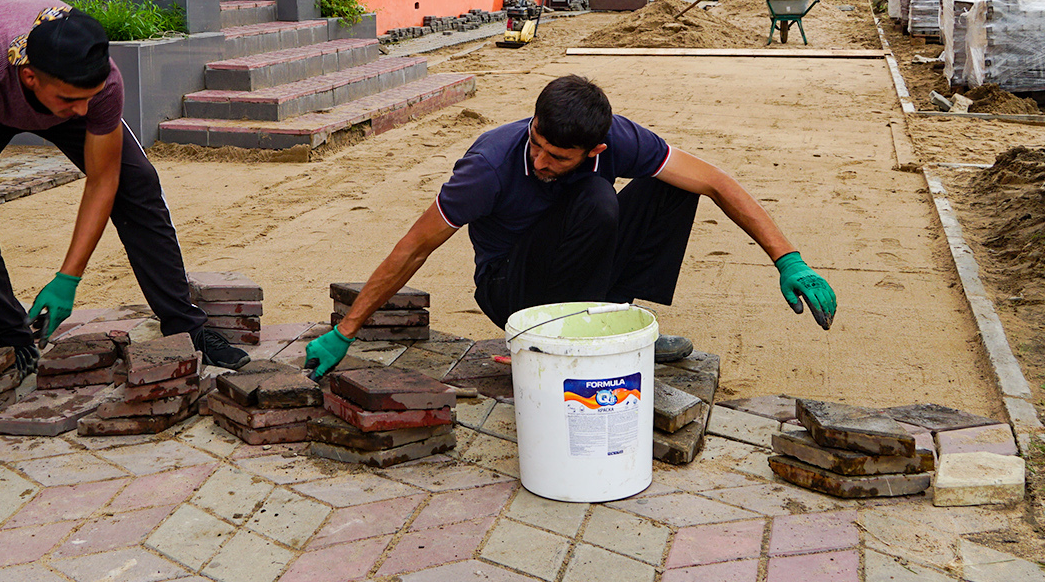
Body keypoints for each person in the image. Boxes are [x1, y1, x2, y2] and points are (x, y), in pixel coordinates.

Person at [304, 75, 837, 376]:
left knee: (671, 186)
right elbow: (414, 247)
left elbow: (716, 180)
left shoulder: (621, 140)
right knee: (596, 201)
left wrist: (788, 260)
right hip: (509, 286)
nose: (539, 161)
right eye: (536, 143)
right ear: (532, 123)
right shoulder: (488, 166)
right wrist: (345, 331)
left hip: (576, 261)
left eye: (558, 156)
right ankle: (567, 343)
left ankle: (610, 323)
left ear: (595, 148)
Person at [0, 0, 250, 384]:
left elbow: (103, 181)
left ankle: (185, 326)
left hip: (57, 87)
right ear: (30, 78)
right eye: (74, 99)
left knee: (137, 183)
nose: (85, 111)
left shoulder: (98, 86)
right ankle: (12, 333)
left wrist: (68, 279)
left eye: (91, 98)